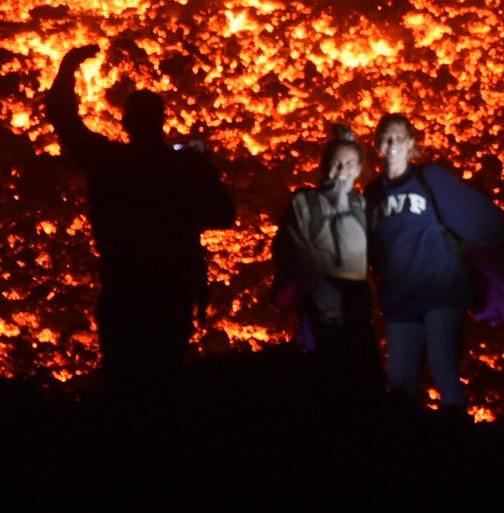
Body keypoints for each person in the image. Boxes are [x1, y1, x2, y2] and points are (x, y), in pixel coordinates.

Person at [47, 43, 236, 392]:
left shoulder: (110, 163)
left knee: (125, 380)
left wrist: (68, 67)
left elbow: (64, 118)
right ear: (162, 123)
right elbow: (224, 214)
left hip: (126, 286)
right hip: (171, 288)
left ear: (125, 122)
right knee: (166, 377)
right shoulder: (185, 169)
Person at [364, 113, 504, 413]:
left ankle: (455, 441)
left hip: (442, 290)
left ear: (412, 145)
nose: (391, 146)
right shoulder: (373, 193)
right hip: (400, 296)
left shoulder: (429, 179)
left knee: (445, 374)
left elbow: (475, 217)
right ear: (377, 145)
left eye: (398, 139)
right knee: (400, 382)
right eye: (385, 139)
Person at [272, 125, 383, 399]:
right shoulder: (305, 203)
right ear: (323, 167)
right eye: (334, 164)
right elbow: (294, 248)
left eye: (347, 164)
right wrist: (319, 289)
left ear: (357, 170)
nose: (340, 171)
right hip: (318, 295)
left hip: (357, 297)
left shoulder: (364, 206)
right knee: (324, 372)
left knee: (363, 371)